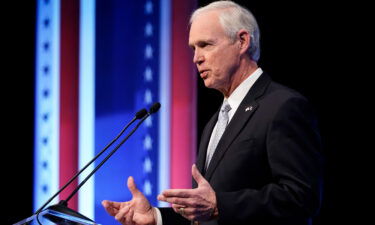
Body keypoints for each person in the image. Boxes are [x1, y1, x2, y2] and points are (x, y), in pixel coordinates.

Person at [102, 1, 324, 225]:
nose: (196, 58)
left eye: (205, 45)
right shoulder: (216, 121)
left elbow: (302, 199)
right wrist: (156, 217)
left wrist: (219, 205)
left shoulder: (283, 107)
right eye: (193, 48)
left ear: (242, 41)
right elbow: (204, 216)